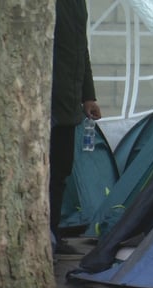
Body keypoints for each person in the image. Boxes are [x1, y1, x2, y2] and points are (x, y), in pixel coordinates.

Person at [50, 0, 102, 254]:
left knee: (60, 172)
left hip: (68, 105)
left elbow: (82, 49)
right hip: (43, 104)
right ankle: (45, 235)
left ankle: (52, 234)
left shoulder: (77, 3)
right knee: (43, 175)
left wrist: (88, 96)